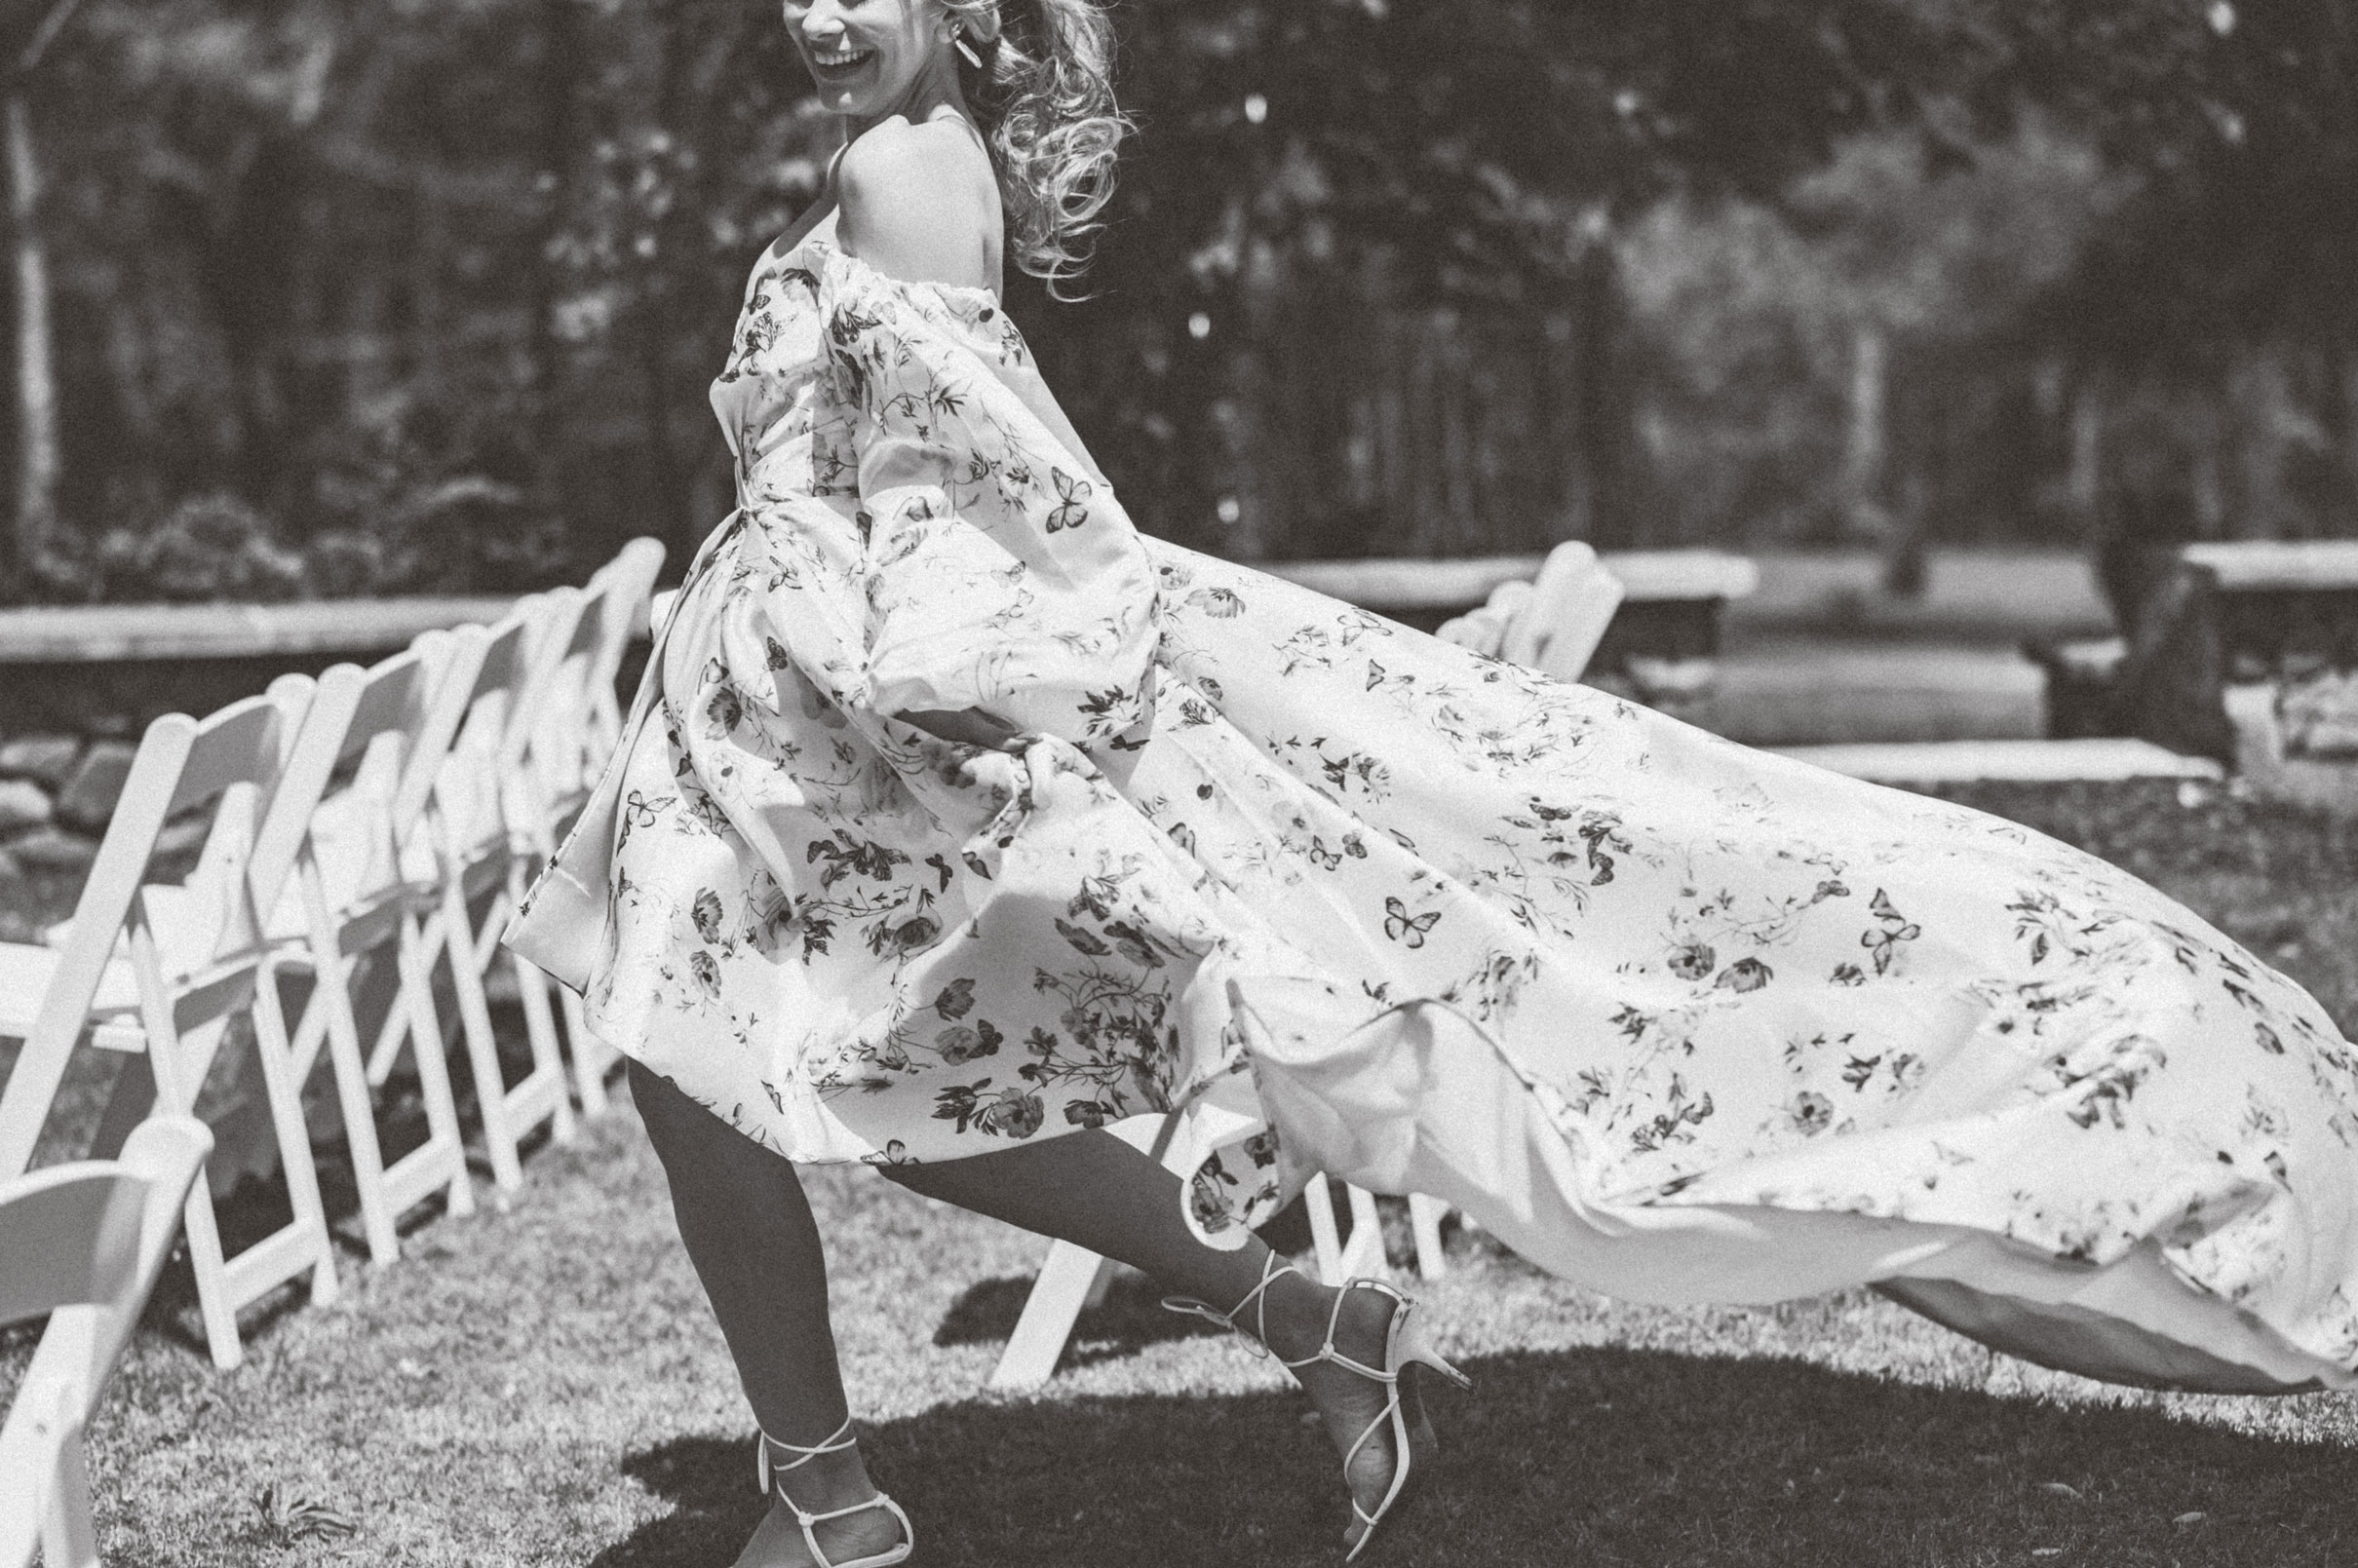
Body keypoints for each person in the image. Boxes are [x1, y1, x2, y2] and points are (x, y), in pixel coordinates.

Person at [507, 0, 2358, 1563]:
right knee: (834, 1073)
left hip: (843, 709)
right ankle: (1258, 1338)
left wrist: (962, 702)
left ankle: (840, 1487)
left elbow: (979, 476)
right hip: (778, 699)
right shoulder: (909, 156)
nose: (815, 6)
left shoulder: (895, 169)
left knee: (770, 1075)